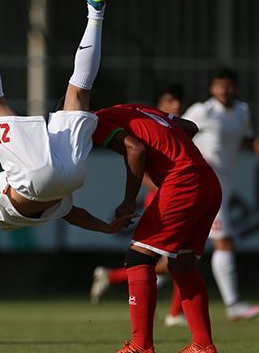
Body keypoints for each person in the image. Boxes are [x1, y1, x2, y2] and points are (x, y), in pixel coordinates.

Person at [0, 0, 133, 349]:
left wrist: (107, 229)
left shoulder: (28, 182)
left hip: (66, 180)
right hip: (29, 182)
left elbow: (70, 211)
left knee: (78, 92)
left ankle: (96, 10)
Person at [92, 103, 221, 353]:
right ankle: (202, 346)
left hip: (182, 180)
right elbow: (189, 127)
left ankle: (140, 346)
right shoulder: (130, 107)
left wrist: (129, 200)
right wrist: (169, 149)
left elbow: (135, 148)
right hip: (207, 179)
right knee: (182, 265)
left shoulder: (92, 121)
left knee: (138, 257)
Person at [182, 68, 259, 322]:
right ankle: (233, 305)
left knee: (183, 251)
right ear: (211, 88)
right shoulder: (202, 111)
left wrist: (255, 145)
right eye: (219, 85)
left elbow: (244, 137)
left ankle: (136, 280)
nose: (223, 90)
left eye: (228, 85)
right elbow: (176, 131)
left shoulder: (242, 111)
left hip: (223, 186)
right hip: (203, 185)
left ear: (236, 87)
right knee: (224, 242)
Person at [90, 84, 186, 305]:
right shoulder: (145, 115)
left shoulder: (143, 119)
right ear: (160, 104)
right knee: (170, 259)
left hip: (180, 189)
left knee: (171, 259)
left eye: (177, 101)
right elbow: (139, 157)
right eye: (170, 101)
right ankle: (171, 320)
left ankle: (112, 278)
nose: (176, 106)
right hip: (174, 191)